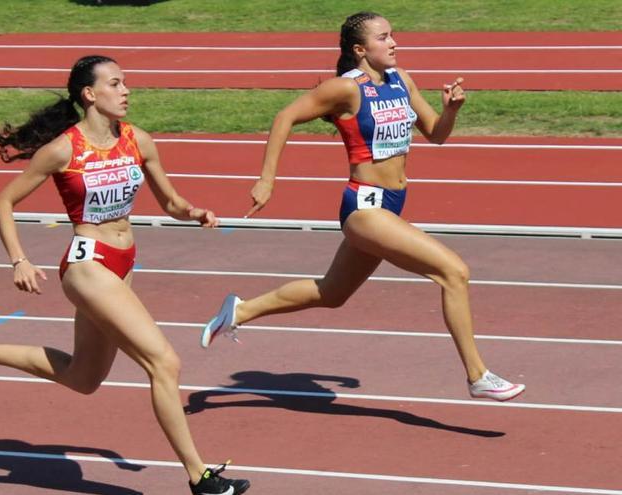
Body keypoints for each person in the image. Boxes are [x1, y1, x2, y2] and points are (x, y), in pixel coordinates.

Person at [0, 55, 250, 495]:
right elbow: (2, 202)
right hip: (87, 264)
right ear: (89, 94)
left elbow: (171, 202)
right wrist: (18, 259)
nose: (126, 91)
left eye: (126, 83)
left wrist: (193, 212)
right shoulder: (64, 149)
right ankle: (199, 477)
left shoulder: (138, 140)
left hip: (123, 263)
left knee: (84, 379)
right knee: (164, 362)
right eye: (116, 84)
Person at [201, 12, 525, 402]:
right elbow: (285, 116)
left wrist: (452, 109)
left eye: (393, 36)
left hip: (392, 204)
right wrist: (267, 179)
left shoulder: (401, 80)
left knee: (333, 293)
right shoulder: (345, 90)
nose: (394, 43)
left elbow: (436, 135)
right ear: (360, 49)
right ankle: (477, 375)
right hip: (364, 207)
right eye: (383, 37)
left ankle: (238, 311)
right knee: (453, 272)